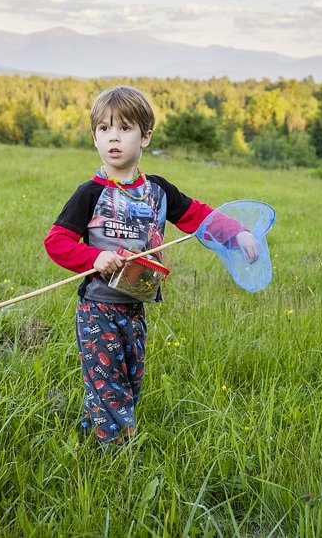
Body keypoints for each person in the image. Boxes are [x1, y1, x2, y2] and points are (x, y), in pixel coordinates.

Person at [44, 86, 259, 447]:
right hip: (98, 308)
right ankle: (116, 456)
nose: (113, 137)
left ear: (145, 136)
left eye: (125, 128)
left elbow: (199, 217)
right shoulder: (90, 193)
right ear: (94, 136)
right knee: (109, 384)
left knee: (127, 380)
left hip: (135, 306)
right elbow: (57, 242)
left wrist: (237, 234)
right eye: (103, 129)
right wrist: (94, 257)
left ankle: (90, 432)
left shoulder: (158, 192)